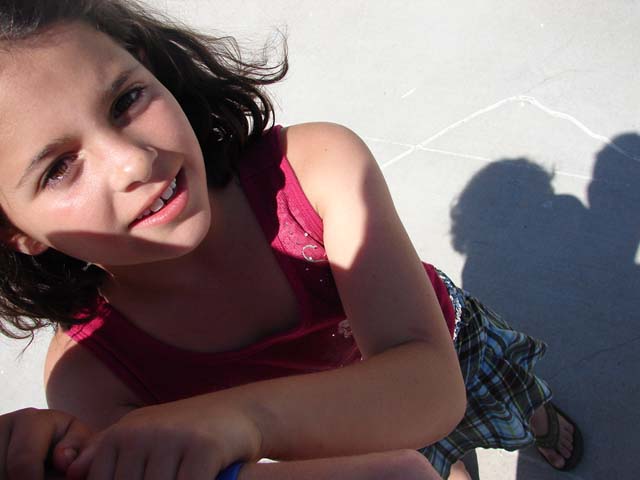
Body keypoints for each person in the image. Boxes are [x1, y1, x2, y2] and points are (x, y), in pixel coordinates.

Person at [0, 1, 582, 478]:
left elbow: (429, 381)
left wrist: (241, 421)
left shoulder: (313, 168)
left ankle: (538, 422)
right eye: (58, 168)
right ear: (15, 232)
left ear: (148, 64)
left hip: (449, 347)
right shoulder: (91, 376)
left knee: (512, 398)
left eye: (126, 100)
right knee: (431, 459)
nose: (133, 162)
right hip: (332, 437)